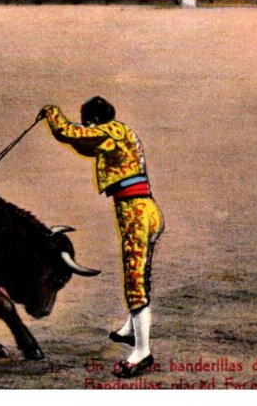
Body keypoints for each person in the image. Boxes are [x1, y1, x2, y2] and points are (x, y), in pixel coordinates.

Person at [38, 96, 164, 378]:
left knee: (135, 279)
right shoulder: (118, 133)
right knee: (140, 274)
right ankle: (130, 330)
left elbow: (70, 133)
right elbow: (82, 144)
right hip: (145, 209)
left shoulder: (109, 131)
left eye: (86, 122)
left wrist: (52, 113)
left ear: (93, 120)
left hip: (136, 213)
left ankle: (142, 353)